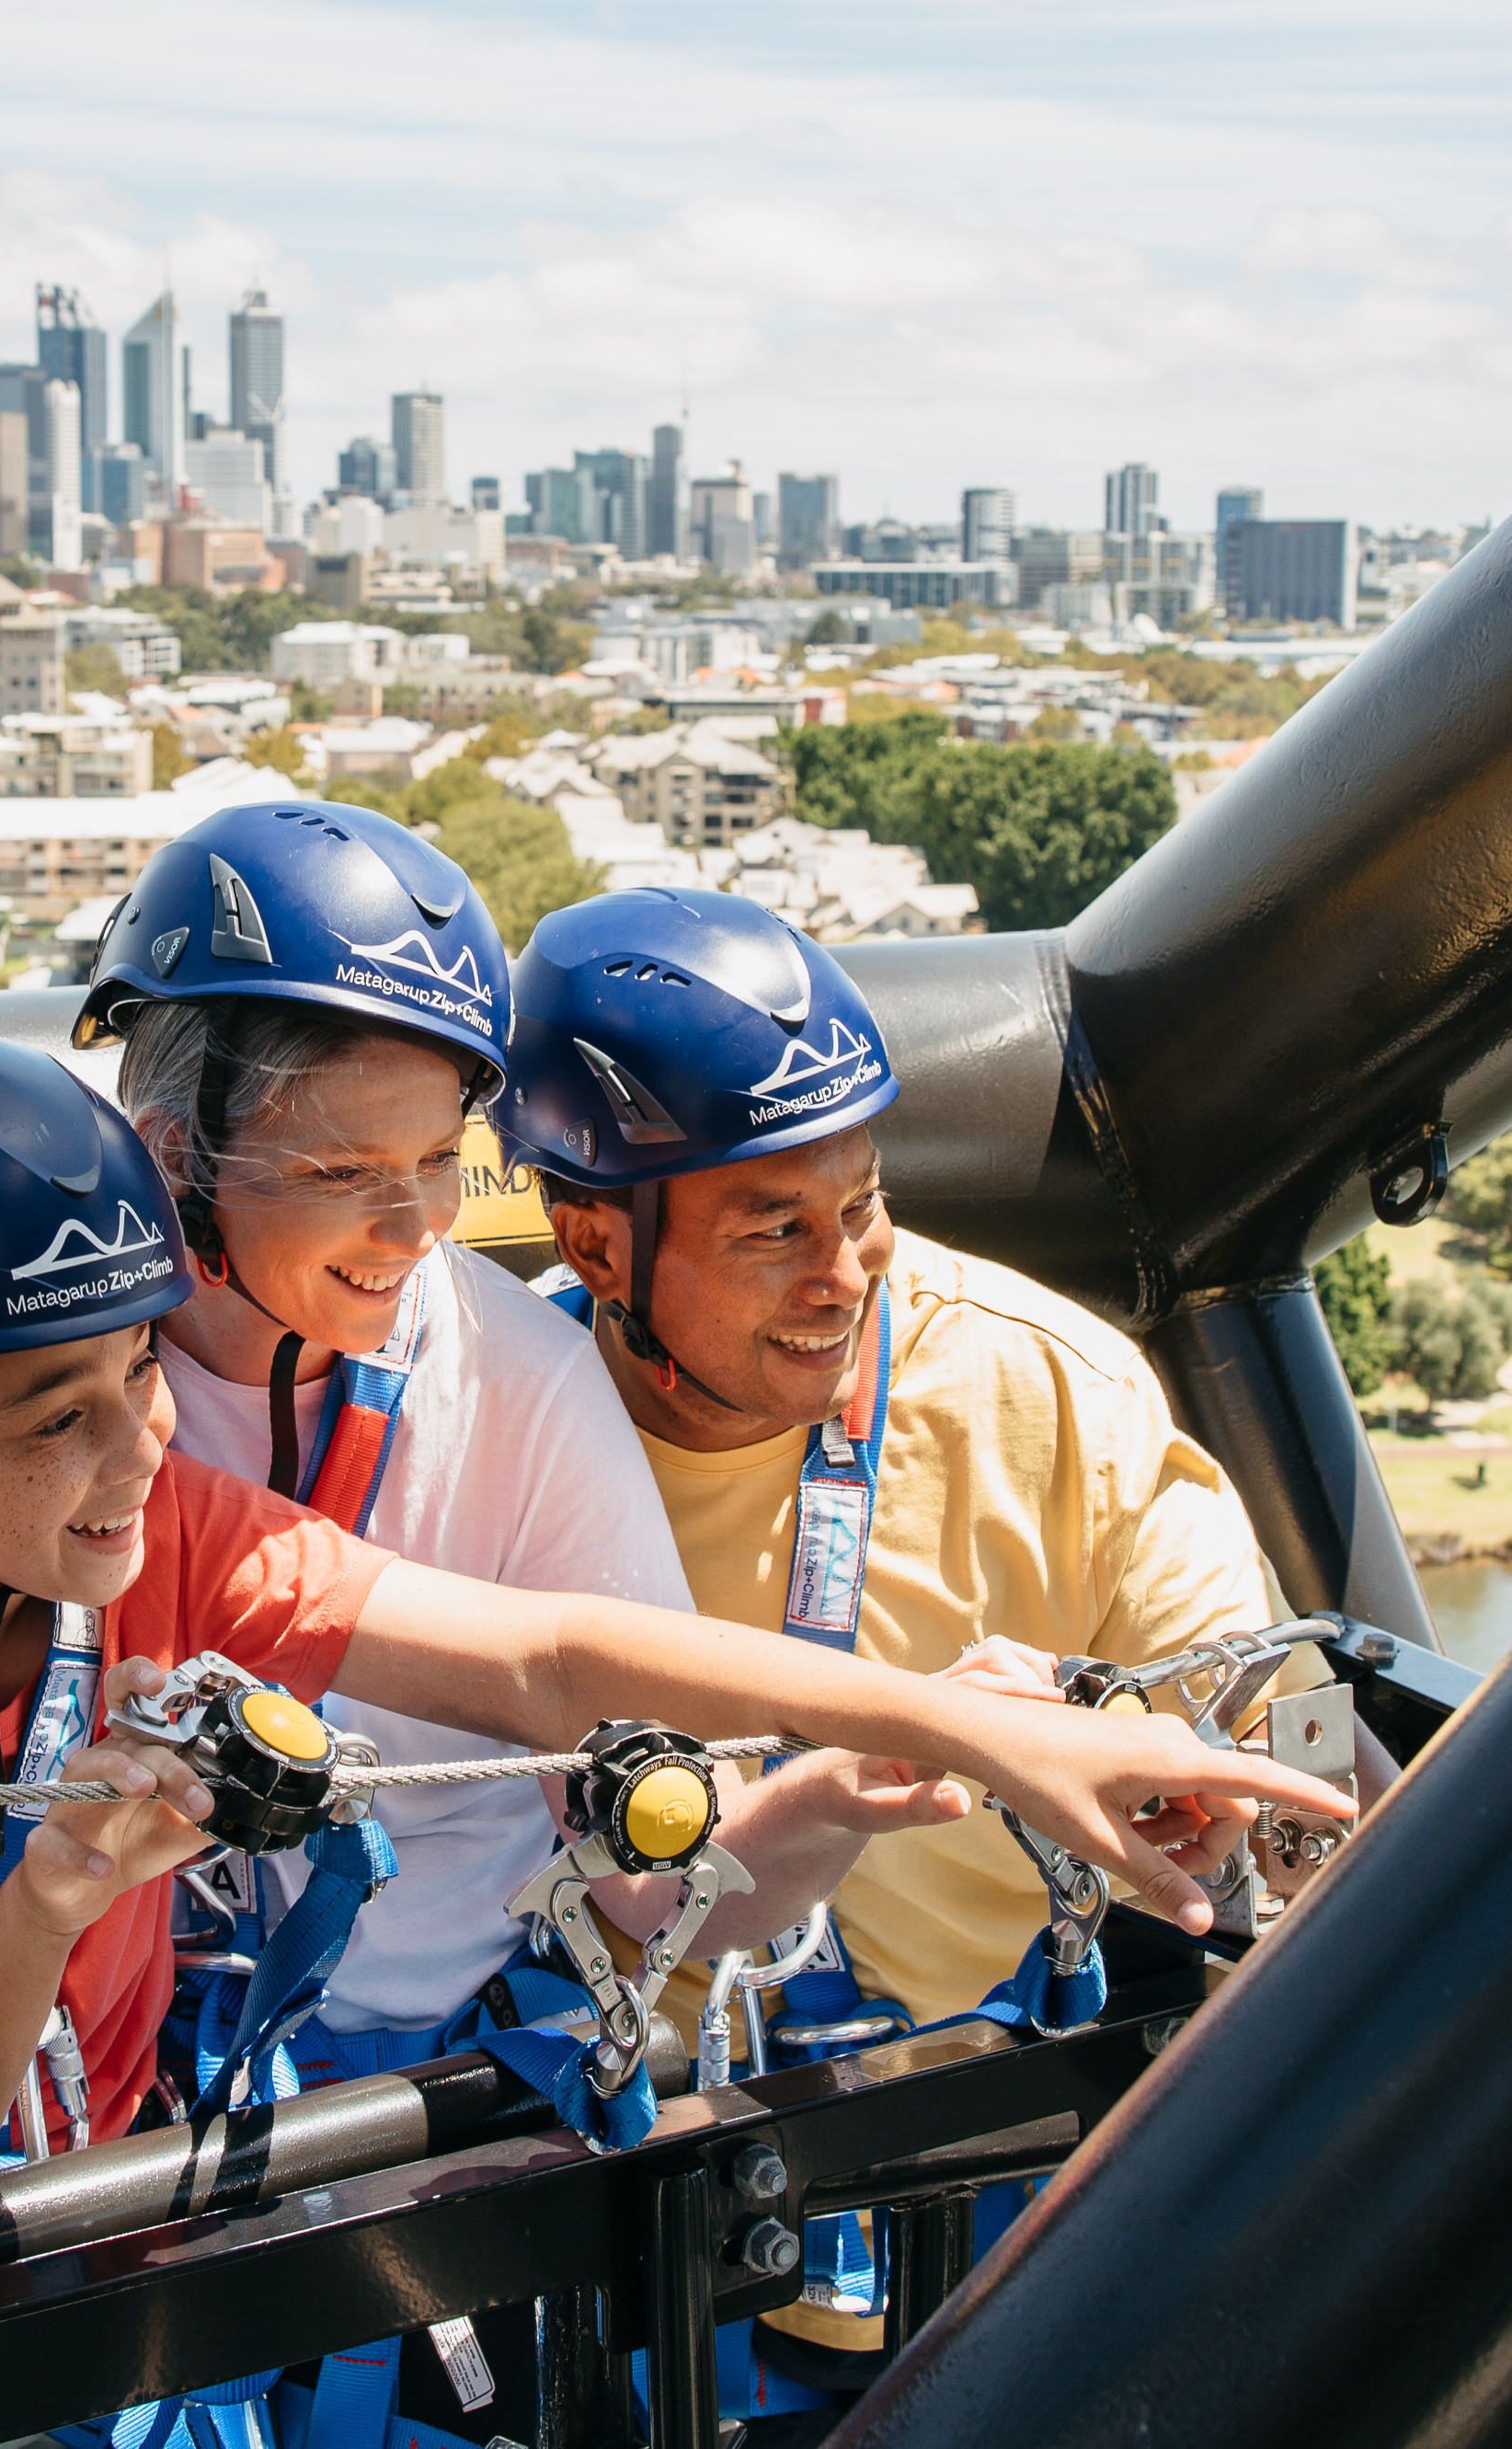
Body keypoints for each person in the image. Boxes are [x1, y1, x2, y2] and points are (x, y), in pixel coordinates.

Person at [0, 1026, 1346, 2202]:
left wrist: (964, 1721)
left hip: (106, 2232)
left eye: (143, 1371)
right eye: (56, 1413)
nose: (142, 1442)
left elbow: (544, 1658)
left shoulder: (152, 1538)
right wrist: (53, 1890)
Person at [499, 891, 1298, 2397]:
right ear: (595, 1240)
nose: (846, 1273)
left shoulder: (1046, 1389)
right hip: (650, 2242)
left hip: (1020, 2202)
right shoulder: (503, 1436)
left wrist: (1220, 1792)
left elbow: (1247, 1714)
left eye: (862, 1203)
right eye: (775, 1228)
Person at [77, 799, 917, 2083]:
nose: (415, 1225)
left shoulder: (515, 1378)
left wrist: (843, 1791)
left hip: (441, 2094)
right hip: (120, 2089)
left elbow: (645, 1879)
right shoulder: (49, 1399)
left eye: (436, 1157)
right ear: (174, 1153)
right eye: (345, 1171)